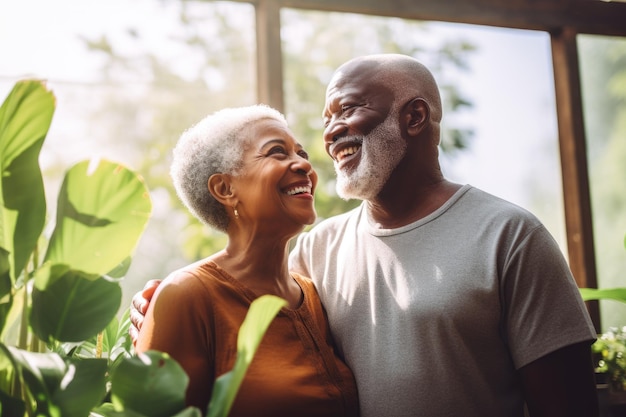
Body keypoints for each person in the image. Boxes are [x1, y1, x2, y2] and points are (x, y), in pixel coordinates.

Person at [132, 54, 599, 417]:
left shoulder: (510, 237)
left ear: (414, 118)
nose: (329, 137)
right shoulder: (315, 252)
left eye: (347, 110)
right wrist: (161, 307)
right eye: (325, 120)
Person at [133, 105, 359, 417]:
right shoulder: (187, 295)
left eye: (301, 153)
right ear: (225, 188)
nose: (304, 165)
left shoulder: (313, 296)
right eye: (277, 152)